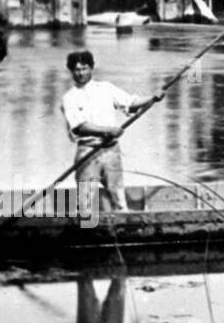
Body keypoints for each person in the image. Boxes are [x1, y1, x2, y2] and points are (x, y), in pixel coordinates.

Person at [61, 51, 163, 215]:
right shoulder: (69, 97)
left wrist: (152, 98)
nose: (80, 73)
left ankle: (122, 227)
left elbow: (132, 103)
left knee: (119, 199)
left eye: (84, 68)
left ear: (91, 68)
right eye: (76, 69)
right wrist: (109, 130)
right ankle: (87, 232)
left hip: (111, 151)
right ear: (71, 71)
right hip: (87, 152)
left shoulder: (106, 88)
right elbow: (80, 127)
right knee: (86, 206)